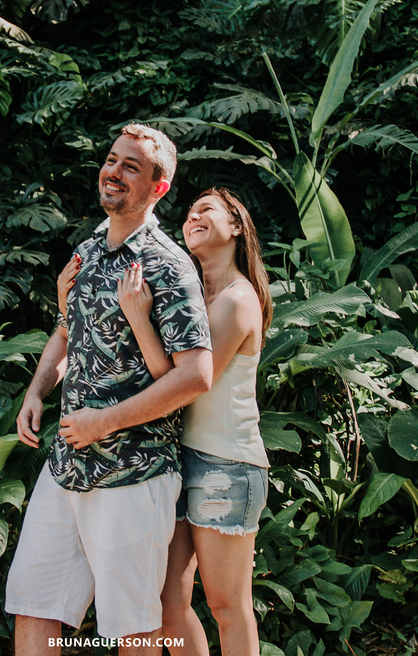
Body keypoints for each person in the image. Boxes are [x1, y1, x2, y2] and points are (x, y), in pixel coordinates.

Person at [5, 124, 214, 656]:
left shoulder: (169, 265)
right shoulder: (90, 247)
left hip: (132, 471)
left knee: (133, 628)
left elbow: (195, 374)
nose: (113, 171)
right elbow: (66, 327)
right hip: (67, 465)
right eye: (111, 159)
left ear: (158, 188)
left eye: (131, 167)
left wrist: (107, 420)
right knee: (35, 602)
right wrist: (37, 391)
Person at [62, 187, 272, 656]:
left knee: (226, 605)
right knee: (167, 602)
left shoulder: (238, 300)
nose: (193, 216)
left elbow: (183, 384)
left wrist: (138, 317)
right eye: (190, 211)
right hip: (175, 459)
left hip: (226, 466)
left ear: (237, 226)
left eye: (208, 210)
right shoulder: (192, 292)